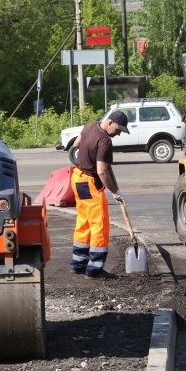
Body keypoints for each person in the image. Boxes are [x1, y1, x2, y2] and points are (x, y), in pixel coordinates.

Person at [69, 110, 129, 279]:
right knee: (99, 226)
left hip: (78, 178)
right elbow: (102, 171)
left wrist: (88, 153)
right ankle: (94, 269)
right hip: (90, 182)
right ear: (110, 122)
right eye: (118, 130)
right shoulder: (105, 141)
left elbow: (76, 144)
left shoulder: (90, 126)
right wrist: (115, 192)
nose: (118, 134)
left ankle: (78, 264)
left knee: (84, 222)